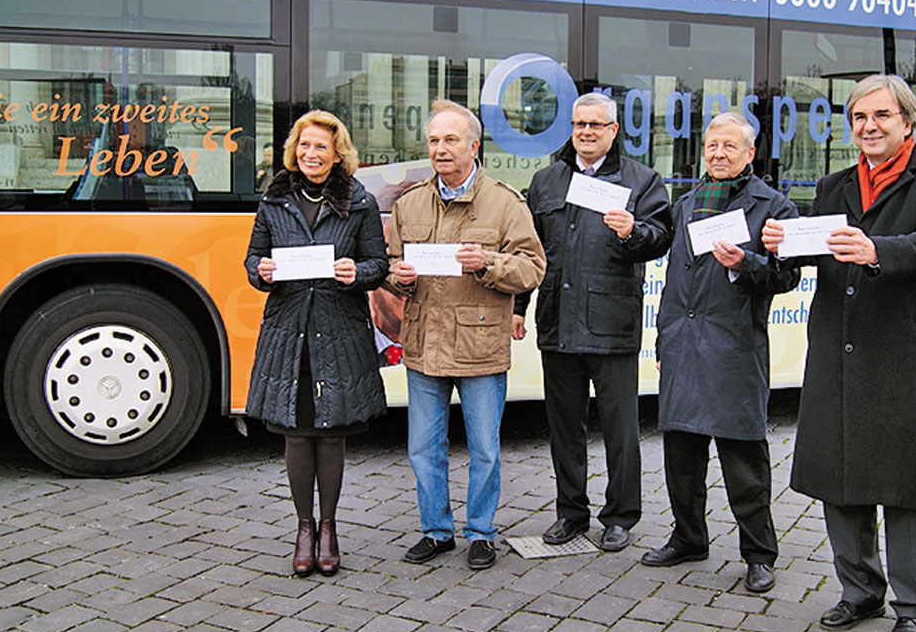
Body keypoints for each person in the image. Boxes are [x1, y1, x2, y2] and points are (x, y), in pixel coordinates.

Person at [762, 73, 916, 632]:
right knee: (841, 475)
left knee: (906, 483)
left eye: (881, 116)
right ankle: (859, 591)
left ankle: (912, 604)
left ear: (908, 121)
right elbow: (805, 260)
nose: (869, 127)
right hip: (838, 347)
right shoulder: (833, 186)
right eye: (859, 118)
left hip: (903, 351)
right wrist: (774, 248)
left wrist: (879, 250)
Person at [385, 100, 546, 570]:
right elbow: (394, 268)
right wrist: (401, 278)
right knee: (422, 449)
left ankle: (481, 532)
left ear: (474, 146)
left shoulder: (504, 201)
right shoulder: (410, 203)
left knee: (485, 450)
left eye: (451, 140)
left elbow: (534, 267)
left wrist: (489, 264)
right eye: (434, 141)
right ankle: (436, 532)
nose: (441, 149)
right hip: (424, 344)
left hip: (478, 345)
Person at [644, 112, 799, 594]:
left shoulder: (773, 207)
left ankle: (758, 553)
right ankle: (689, 537)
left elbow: (788, 276)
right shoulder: (687, 203)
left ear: (750, 153)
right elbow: (674, 280)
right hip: (683, 345)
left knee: (743, 458)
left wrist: (747, 263)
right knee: (681, 455)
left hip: (734, 347)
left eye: (729, 146)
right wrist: (663, 337)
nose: (718, 154)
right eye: (712, 146)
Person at [515, 92, 673, 553]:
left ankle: (621, 516)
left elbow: (660, 238)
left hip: (612, 322)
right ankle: (571, 513)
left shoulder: (642, 181)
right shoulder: (546, 180)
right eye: (579, 124)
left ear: (613, 130)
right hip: (558, 321)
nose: (586, 132)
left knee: (620, 429)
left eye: (596, 125)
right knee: (564, 427)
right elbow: (530, 251)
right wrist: (518, 308)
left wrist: (632, 231)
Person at [245, 110, 388, 578]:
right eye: (304, 146)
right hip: (289, 330)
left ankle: (329, 527)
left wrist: (357, 274)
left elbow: (377, 263)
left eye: (321, 147)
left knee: (331, 433)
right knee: (296, 431)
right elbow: (253, 259)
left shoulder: (359, 202)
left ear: (336, 153)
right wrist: (261, 273)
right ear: (295, 151)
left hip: (337, 329)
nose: (311, 154)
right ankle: (303, 527)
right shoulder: (274, 199)